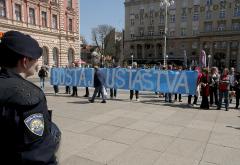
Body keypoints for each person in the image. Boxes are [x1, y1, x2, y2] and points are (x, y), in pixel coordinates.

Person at [0, 31, 60, 164]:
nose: (37, 62)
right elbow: (38, 153)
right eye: (36, 59)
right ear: (25, 61)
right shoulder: (29, 96)